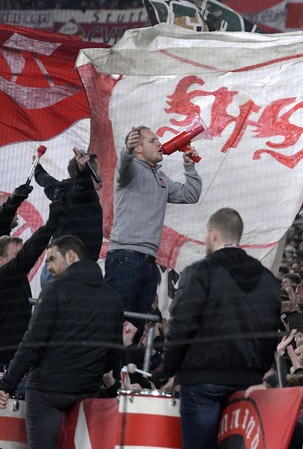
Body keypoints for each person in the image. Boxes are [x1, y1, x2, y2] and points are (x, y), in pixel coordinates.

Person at [153, 208, 281, 449]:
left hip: (203, 381)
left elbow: (181, 326)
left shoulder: (199, 272)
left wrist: (167, 370)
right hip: (248, 381)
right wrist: (258, 370)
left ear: (213, 235)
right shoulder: (267, 279)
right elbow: (271, 331)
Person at [0, 235, 124, 448]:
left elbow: (32, 342)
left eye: (51, 259)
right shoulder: (113, 299)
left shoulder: (54, 289)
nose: (48, 266)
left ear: (71, 256)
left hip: (47, 391)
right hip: (87, 390)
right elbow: (113, 354)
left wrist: (7, 384)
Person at [105, 126, 201, 320]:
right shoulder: (130, 170)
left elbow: (190, 195)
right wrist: (127, 149)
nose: (159, 143)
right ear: (138, 148)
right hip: (125, 256)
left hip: (149, 261)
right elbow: (123, 166)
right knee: (115, 322)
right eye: (152, 140)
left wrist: (189, 166)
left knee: (135, 326)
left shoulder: (160, 178)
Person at [0, 199, 62, 371]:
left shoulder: (17, 279)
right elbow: (27, 256)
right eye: (16, 255)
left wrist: (11, 207)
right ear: (1, 260)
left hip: (17, 361)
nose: (20, 259)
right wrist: (50, 225)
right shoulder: (4, 277)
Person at [33, 147, 103, 260]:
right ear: (91, 175)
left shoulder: (58, 189)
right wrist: (82, 170)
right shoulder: (84, 194)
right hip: (74, 265)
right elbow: (82, 186)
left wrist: (37, 168)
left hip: (54, 261)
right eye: (99, 171)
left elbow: (44, 179)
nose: (101, 175)